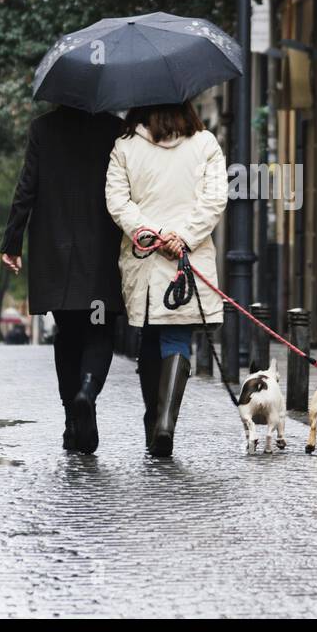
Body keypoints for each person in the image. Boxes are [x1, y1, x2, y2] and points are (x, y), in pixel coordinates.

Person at [105, 101, 227, 457]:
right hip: (188, 259)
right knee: (176, 336)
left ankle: (153, 419)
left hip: (145, 258)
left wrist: (154, 234)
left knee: (149, 334)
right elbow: (215, 199)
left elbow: (117, 202)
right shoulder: (205, 144)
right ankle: (165, 424)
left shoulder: (125, 146)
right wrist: (183, 237)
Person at [0, 106, 125, 454]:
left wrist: (12, 242)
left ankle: (73, 418)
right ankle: (87, 390)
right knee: (99, 329)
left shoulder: (44, 128)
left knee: (68, 333)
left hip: (56, 255)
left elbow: (27, 187)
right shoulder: (115, 129)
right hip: (101, 254)